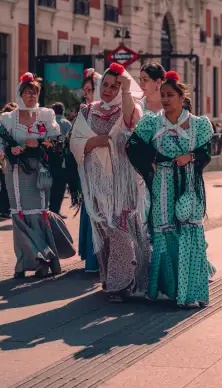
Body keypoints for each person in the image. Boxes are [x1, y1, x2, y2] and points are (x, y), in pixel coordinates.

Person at [127, 71, 214, 308]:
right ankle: (171, 289)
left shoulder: (198, 124)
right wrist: (151, 161)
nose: (165, 99)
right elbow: (132, 146)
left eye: (170, 95)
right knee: (164, 231)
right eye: (163, 95)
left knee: (189, 229)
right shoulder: (152, 122)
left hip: (188, 184)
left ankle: (191, 291)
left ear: (181, 96)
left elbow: (207, 152)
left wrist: (191, 156)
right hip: (162, 183)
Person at [71, 62, 149, 302]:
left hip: (123, 181)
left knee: (121, 229)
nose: (108, 89)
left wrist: (125, 90)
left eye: (115, 86)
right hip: (97, 181)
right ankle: (113, 279)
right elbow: (75, 142)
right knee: (105, 230)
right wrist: (96, 142)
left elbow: (130, 124)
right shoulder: (87, 111)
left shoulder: (129, 107)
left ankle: (119, 284)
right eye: (105, 84)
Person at [0, 73, 63, 279]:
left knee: (39, 212)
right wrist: (9, 148)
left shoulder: (46, 116)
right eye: (27, 92)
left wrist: (40, 143)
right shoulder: (8, 119)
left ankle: (44, 259)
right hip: (15, 173)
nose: (31, 96)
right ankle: (26, 260)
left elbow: (58, 142)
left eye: (35, 92)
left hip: (39, 172)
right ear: (19, 94)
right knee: (19, 213)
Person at [75, 68, 103, 273]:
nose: (86, 93)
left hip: (107, 169)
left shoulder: (108, 111)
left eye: (89, 89)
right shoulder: (84, 111)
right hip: (88, 167)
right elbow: (76, 141)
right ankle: (92, 259)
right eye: (84, 90)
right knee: (92, 211)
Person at [48, 103, 73, 216]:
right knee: (60, 186)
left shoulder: (49, 123)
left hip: (49, 159)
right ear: (62, 111)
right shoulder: (67, 124)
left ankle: (48, 209)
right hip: (63, 161)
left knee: (50, 184)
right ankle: (56, 210)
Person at [0, 102, 19, 219]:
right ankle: (4, 210)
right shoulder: (6, 125)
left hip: (2, 160)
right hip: (7, 159)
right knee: (7, 186)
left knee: (6, 185)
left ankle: (2, 206)